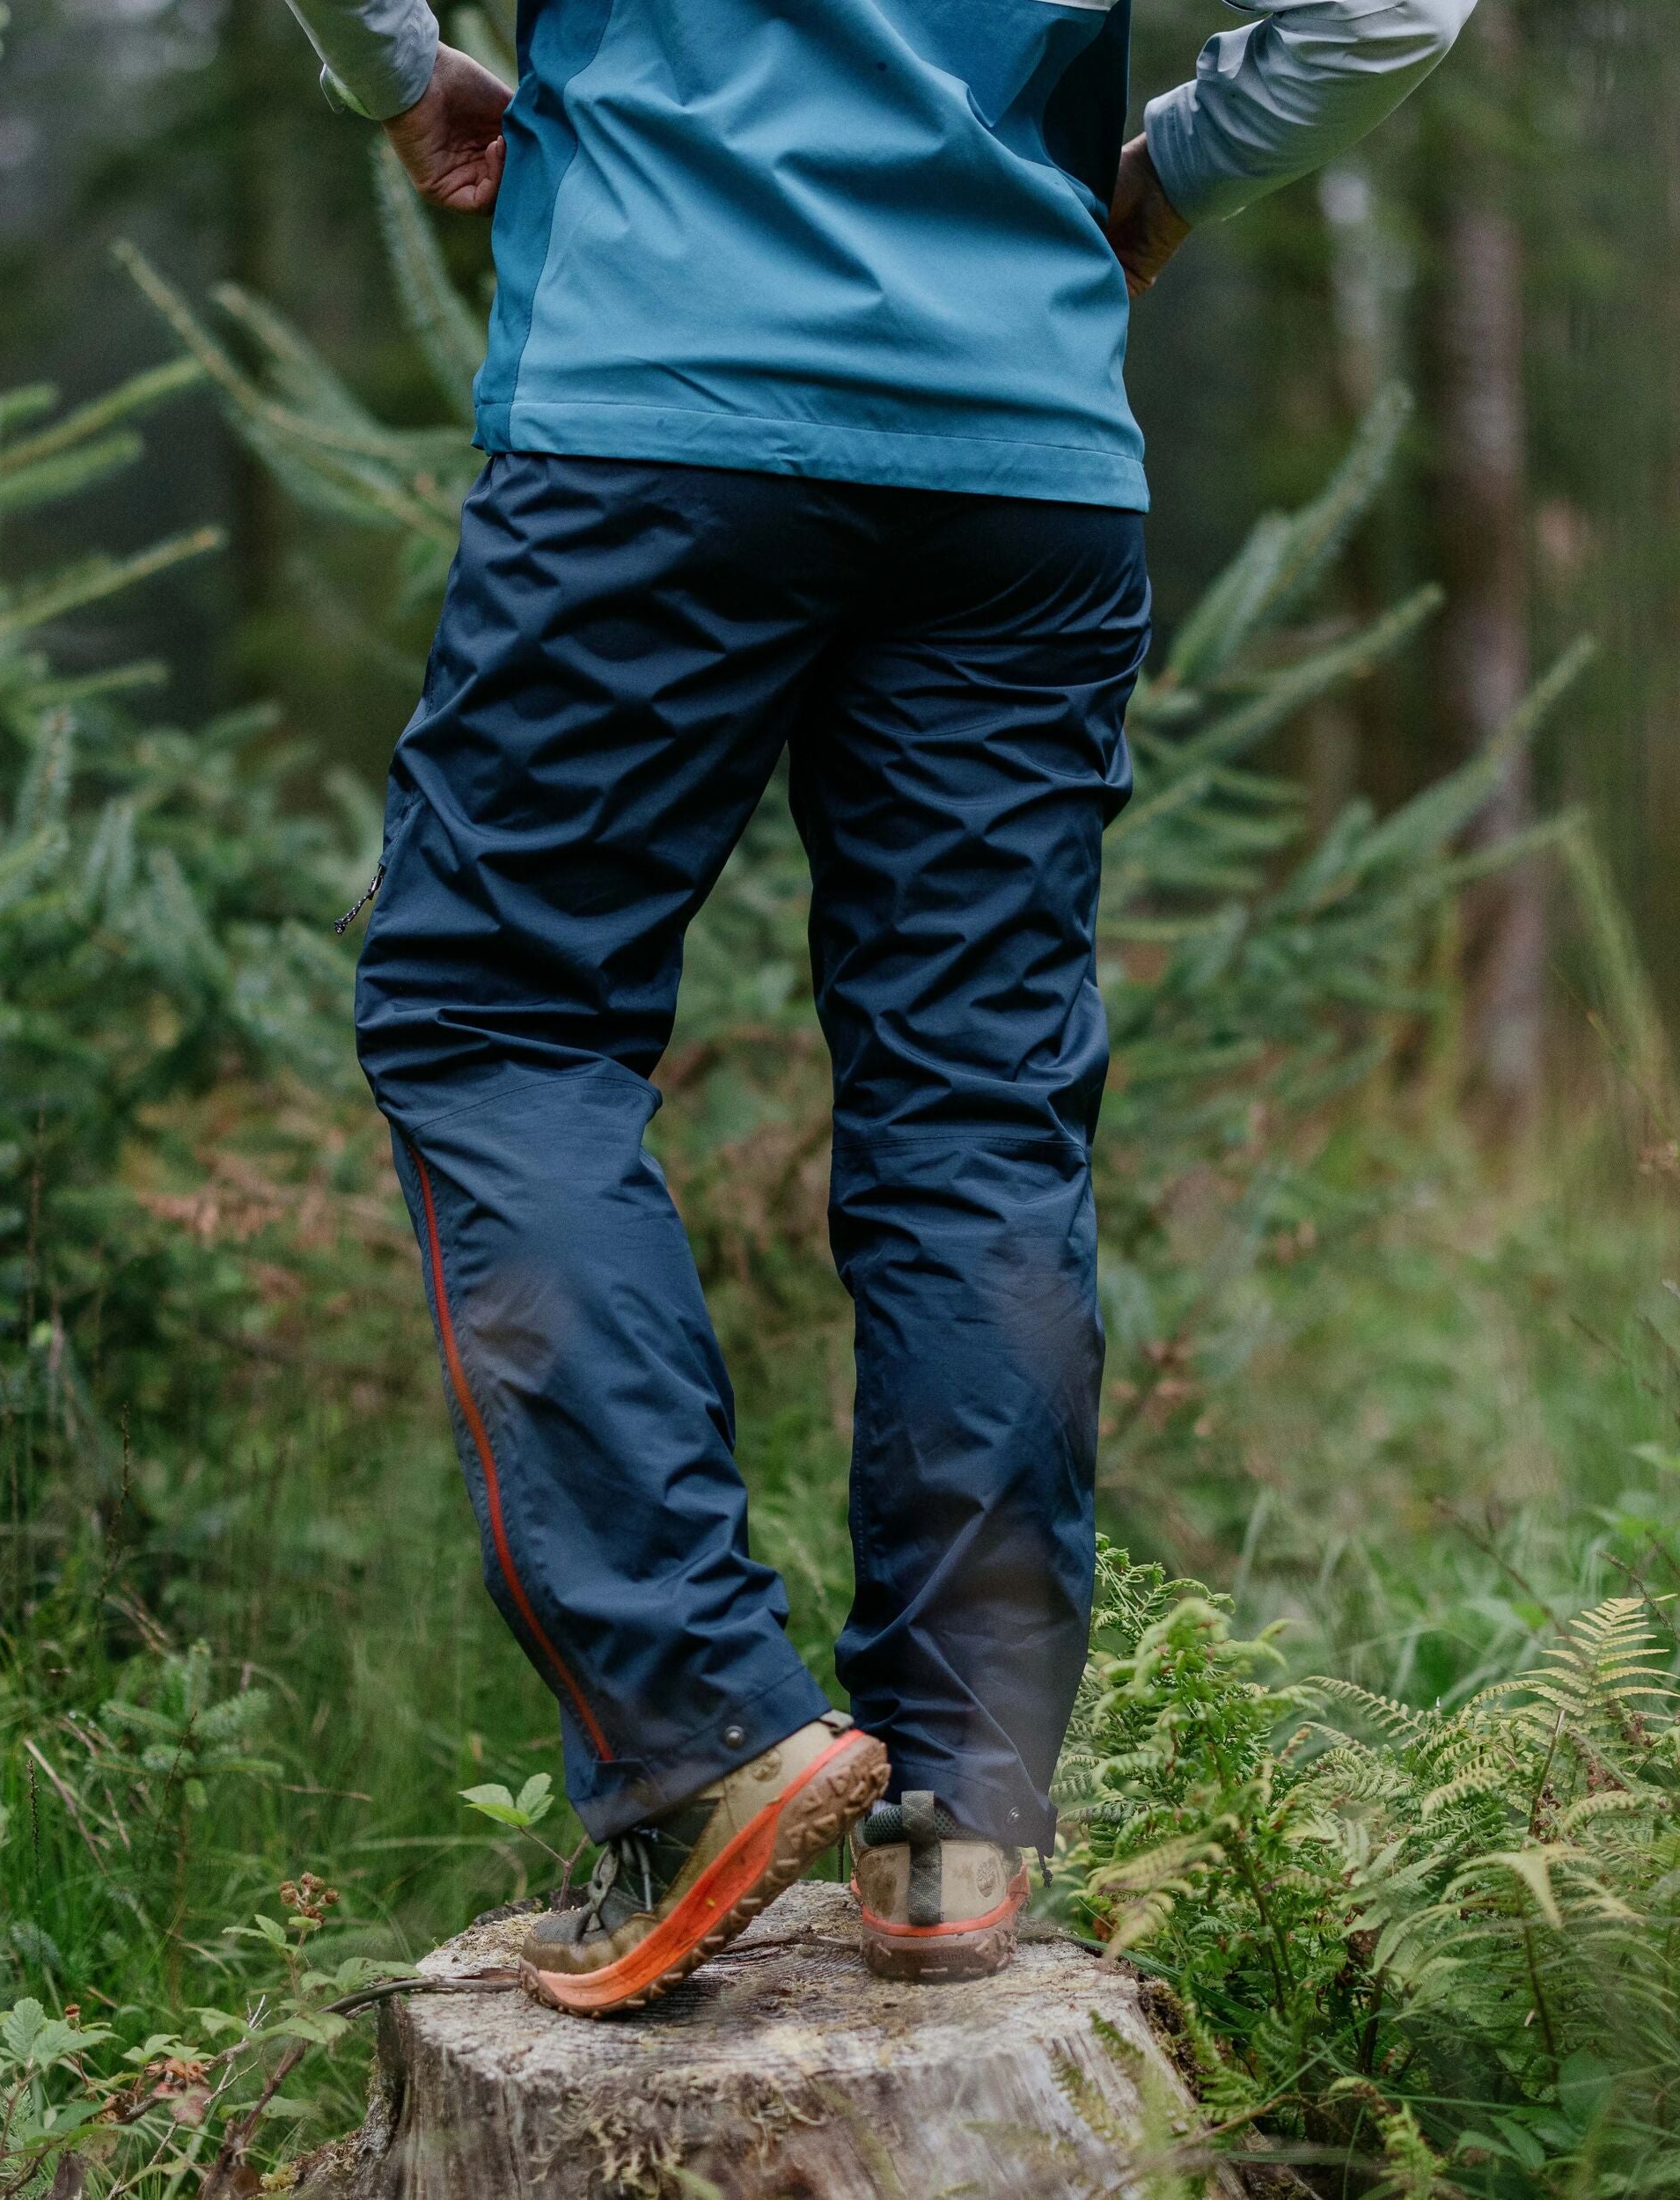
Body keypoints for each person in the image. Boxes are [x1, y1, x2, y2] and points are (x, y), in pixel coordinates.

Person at [284, 0, 1475, 2015]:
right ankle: (958, 1808)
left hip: (649, 415)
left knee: (493, 1019)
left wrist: (397, 72)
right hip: (1021, 452)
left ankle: (698, 1725)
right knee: (976, 1099)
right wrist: (1176, 166)